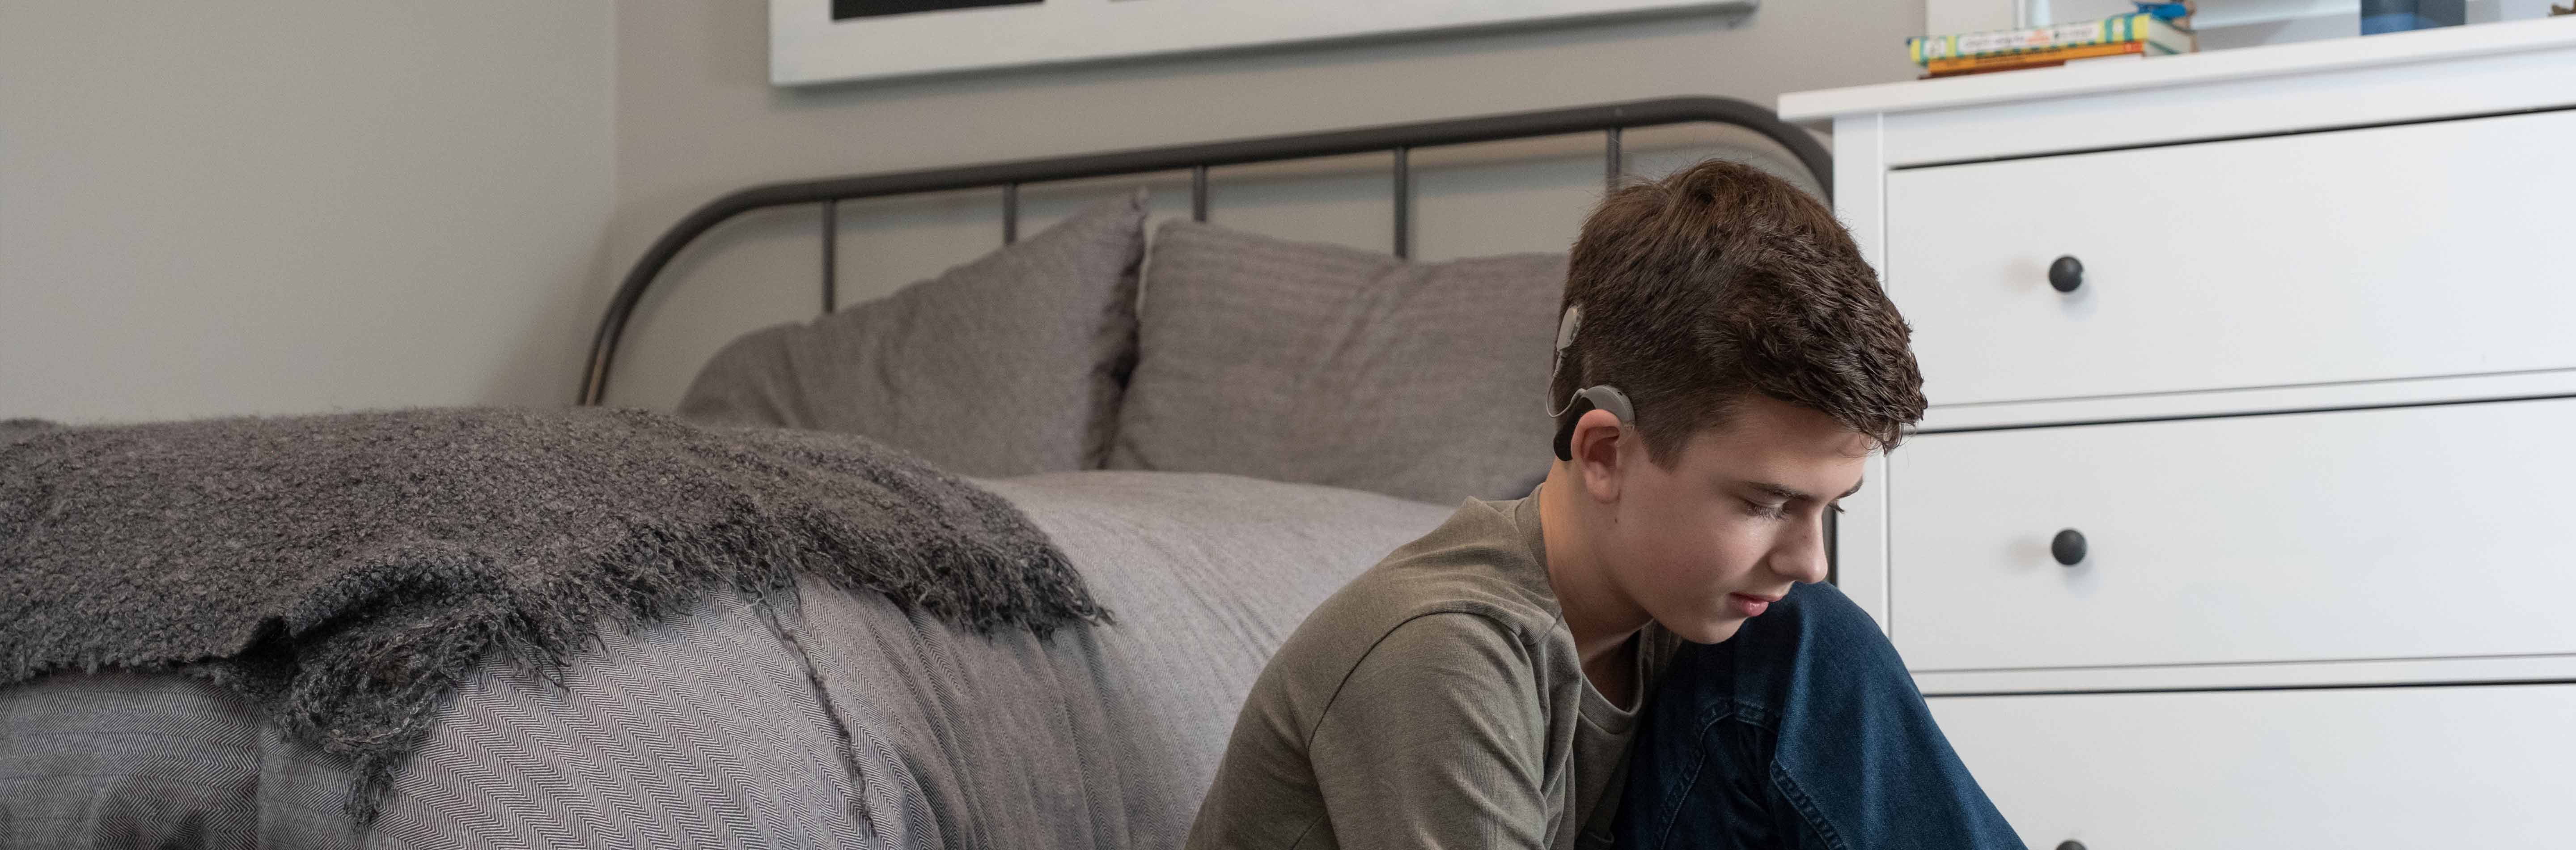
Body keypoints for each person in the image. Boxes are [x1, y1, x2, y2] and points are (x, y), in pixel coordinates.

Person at [1183, 159, 2022, 849]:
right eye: (1767, 505)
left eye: (1829, 508)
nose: (1810, 559)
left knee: (1809, 635)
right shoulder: (1442, 653)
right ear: (1606, 452)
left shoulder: (1699, 637)